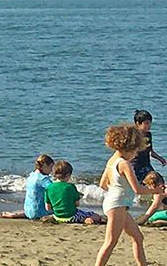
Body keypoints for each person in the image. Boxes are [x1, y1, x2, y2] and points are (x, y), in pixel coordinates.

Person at [97, 124, 159, 266]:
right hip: (117, 205)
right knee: (110, 242)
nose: (136, 154)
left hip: (115, 203)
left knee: (138, 237)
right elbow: (137, 189)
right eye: (136, 151)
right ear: (128, 148)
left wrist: (118, 190)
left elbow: (102, 184)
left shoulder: (112, 160)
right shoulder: (125, 164)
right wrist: (156, 191)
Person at [47, 159, 105, 225]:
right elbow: (77, 204)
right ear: (68, 175)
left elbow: (48, 208)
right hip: (71, 216)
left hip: (57, 216)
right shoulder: (70, 187)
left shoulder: (49, 187)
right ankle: (85, 219)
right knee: (96, 216)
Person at [3, 154, 57, 219]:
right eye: (51, 167)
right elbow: (56, 190)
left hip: (28, 211)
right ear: (45, 165)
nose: (51, 170)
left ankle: (15, 215)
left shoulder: (31, 175)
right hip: (39, 213)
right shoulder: (43, 179)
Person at [134, 111, 167, 184]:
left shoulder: (148, 135)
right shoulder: (134, 136)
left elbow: (150, 151)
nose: (149, 126)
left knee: (158, 182)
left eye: (150, 123)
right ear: (138, 123)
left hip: (146, 164)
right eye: (146, 123)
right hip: (135, 166)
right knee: (142, 185)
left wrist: (160, 158)